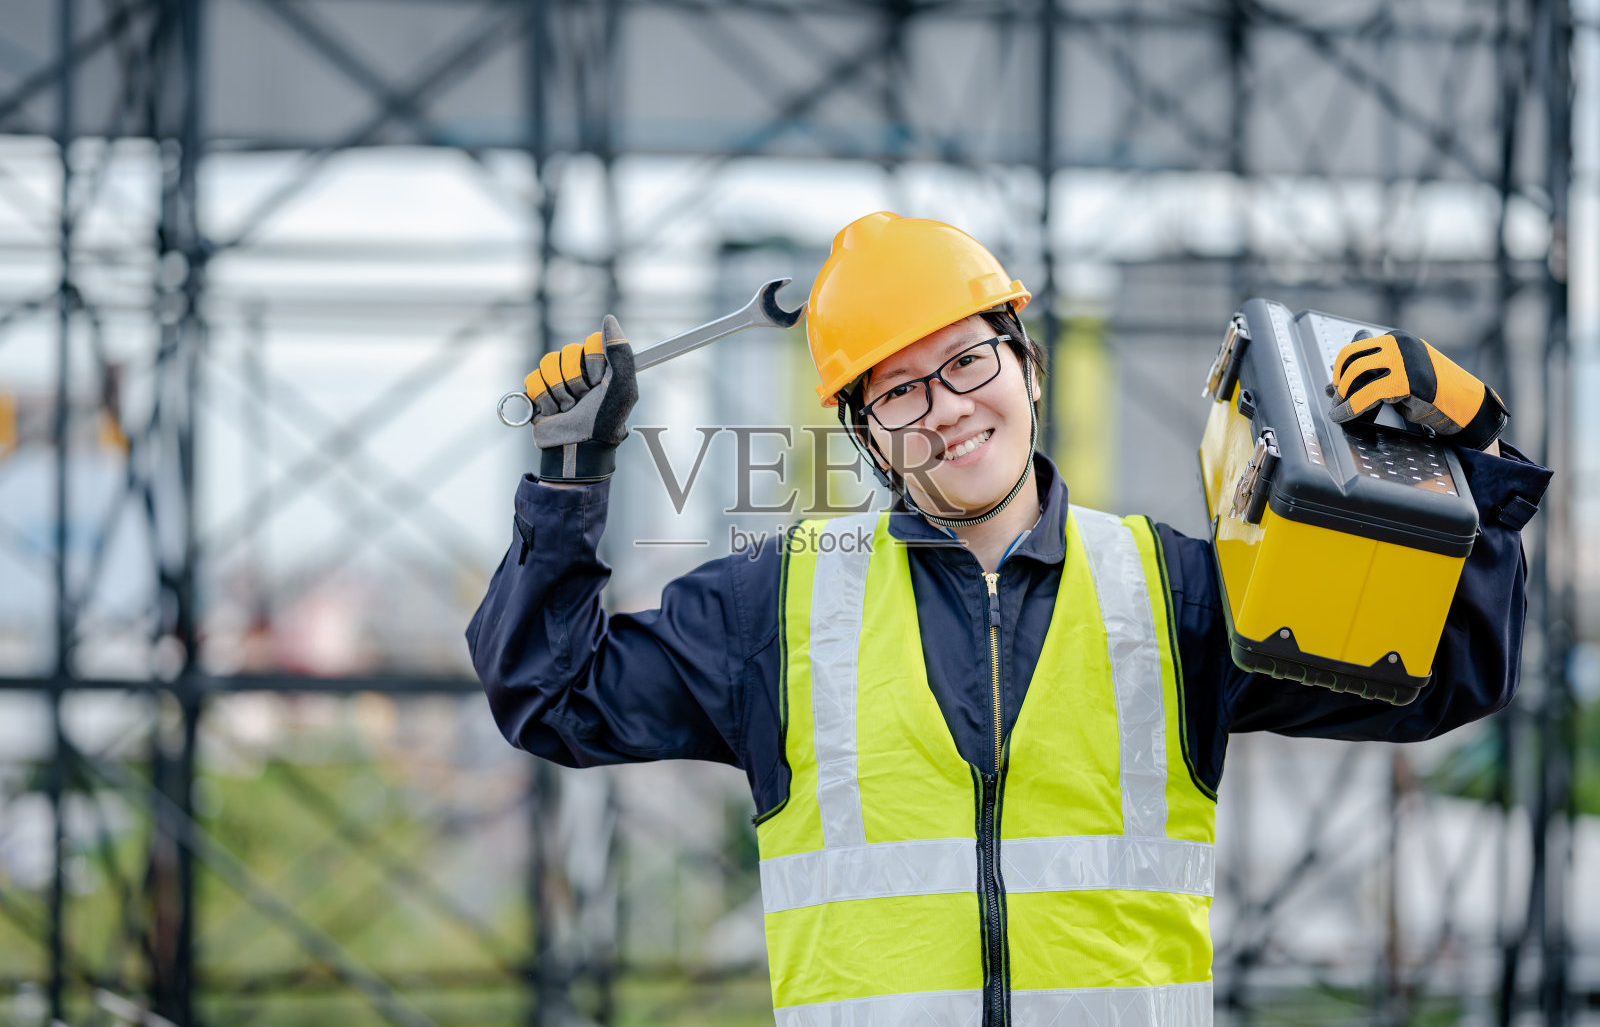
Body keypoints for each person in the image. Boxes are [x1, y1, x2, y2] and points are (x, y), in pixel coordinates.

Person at [467, 211, 1551, 1027]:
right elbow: (553, 698)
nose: (943, 408)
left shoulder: (1175, 597)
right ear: (866, 436)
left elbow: (1444, 678)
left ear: (1024, 363)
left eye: (964, 360)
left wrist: (1476, 463)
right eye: (895, 393)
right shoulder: (777, 610)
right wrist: (569, 482)